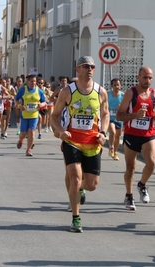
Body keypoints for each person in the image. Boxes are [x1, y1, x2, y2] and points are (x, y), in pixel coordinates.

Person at [51, 56, 109, 232]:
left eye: (92, 66)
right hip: (72, 140)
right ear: (78, 69)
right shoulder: (68, 91)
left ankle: (81, 189)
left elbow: (105, 114)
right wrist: (61, 131)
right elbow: (55, 115)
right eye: (86, 66)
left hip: (93, 142)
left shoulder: (101, 92)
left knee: (92, 184)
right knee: (75, 178)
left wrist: (103, 133)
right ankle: (76, 218)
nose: (89, 69)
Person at [116, 66, 155, 211]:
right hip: (132, 134)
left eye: (150, 78)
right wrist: (135, 115)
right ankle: (129, 195)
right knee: (131, 168)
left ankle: (142, 184)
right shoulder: (131, 93)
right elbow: (119, 115)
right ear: (138, 77)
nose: (148, 80)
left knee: (152, 162)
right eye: (145, 77)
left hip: (148, 134)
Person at [15, 74, 47, 156]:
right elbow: (16, 99)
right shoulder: (23, 90)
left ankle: (28, 149)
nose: (34, 83)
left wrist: (41, 105)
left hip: (34, 115)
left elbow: (44, 102)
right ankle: (20, 140)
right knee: (23, 134)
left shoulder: (39, 91)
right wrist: (19, 106)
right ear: (28, 81)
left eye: (35, 81)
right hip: (25, 115)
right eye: (32, 81)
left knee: (32, 132)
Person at [107, 78, 124, 160]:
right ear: (112, 86)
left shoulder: (123, 96)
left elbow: (126, 108)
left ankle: (115, 152)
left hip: (119, 118)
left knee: (118, 136)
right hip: (110, 118)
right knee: (112, 132)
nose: (116, 86)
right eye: (114, 85)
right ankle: (111, 147)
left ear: (120, 85)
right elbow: (104, 105)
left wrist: (121, 108)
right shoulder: (108, 94)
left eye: (118, 85)